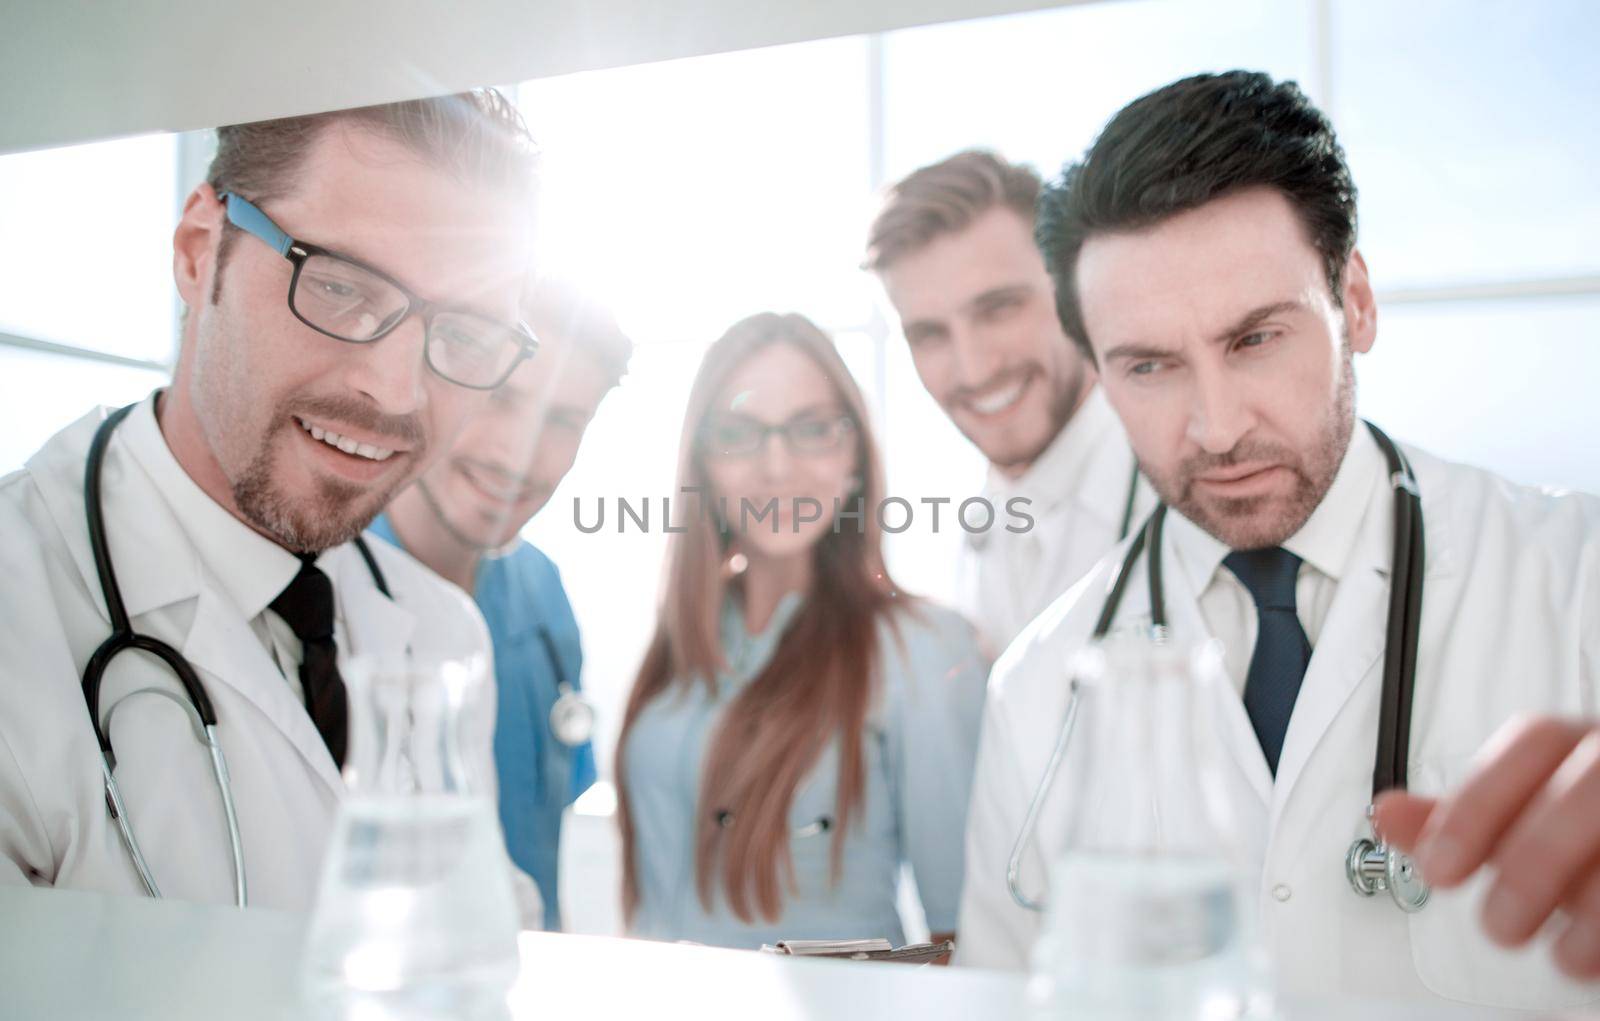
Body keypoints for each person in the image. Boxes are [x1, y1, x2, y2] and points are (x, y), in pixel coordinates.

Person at [956, 70, 1600, 1008]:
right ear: (1098, 370)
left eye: (1256, 339)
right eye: (1149, 365)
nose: (1215, 429)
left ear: (1358, 304)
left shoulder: (1576, 574)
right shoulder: (1037, 685)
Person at [0, 91, 545, 915]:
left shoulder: (438, 631)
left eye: (464, 334)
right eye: (340, 287)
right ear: (197, 251)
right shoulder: (21, 609)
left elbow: (478, 948)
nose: (396, 391)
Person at [614, 312, 989, 950]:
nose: (778, 467)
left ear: (855, 456)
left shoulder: (923, 650)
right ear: (702, 458)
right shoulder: (683, 639)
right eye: (739, 433)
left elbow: (966, 940)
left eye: (812, 430)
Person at [370, 277, 632, 931]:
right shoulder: (319, 597)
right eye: (500, 398)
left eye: (563, 420)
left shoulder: (543, 597)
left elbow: (539, 854)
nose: (520, 455)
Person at [864, 151, 1152, 657]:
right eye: (929, 334)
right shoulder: (970, 533)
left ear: (1074, 288)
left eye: (998, 309)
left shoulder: (1182, 493)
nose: (973, 369)